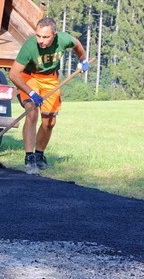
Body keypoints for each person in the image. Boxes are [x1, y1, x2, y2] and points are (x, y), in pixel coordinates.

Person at [9, 17, 89, 175]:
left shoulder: (64, 39)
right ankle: (29, 158)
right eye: (38, 35)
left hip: (50, 78)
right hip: (28, 78)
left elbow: (77, 44)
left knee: (50, 121)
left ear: (54, 35)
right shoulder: (30, 46)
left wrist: (83, 60)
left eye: (45, 37)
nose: (40, 40)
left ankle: (39, 155)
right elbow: (13, 74)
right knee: (31, 112)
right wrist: (31, 92)